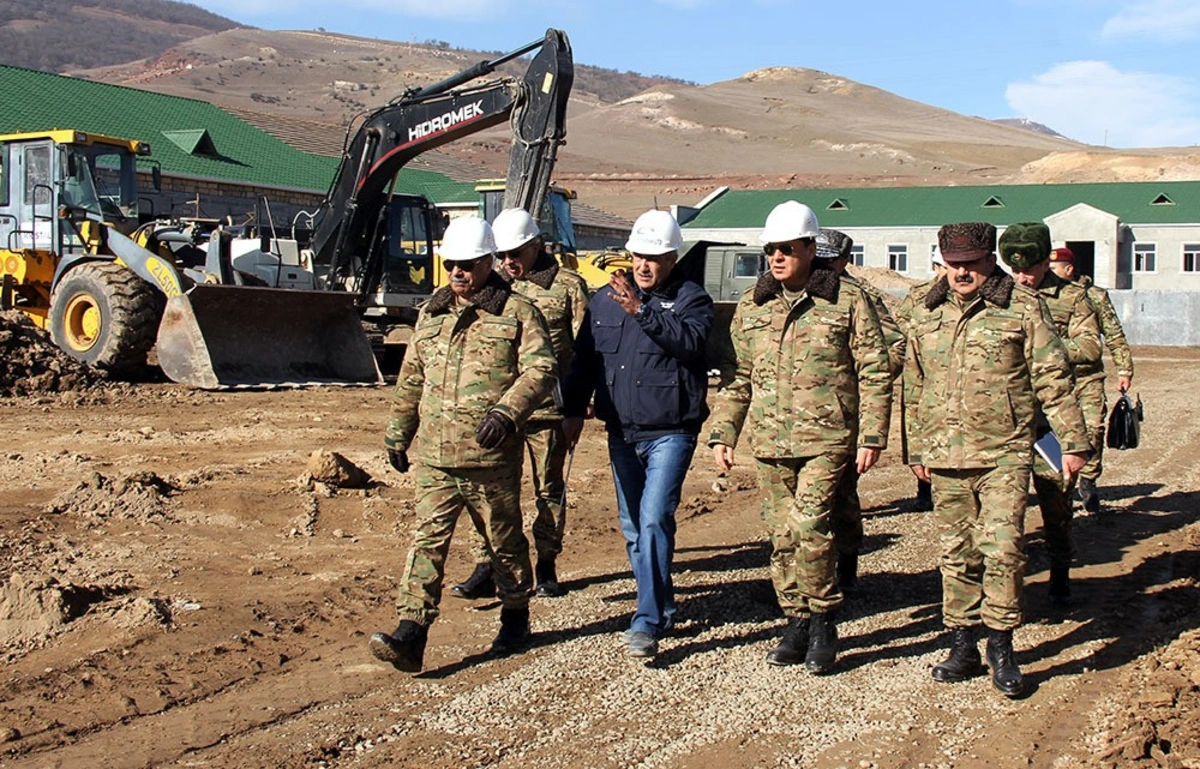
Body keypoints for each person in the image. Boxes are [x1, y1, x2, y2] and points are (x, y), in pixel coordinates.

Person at [904, 221, 1090, 697]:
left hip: (1005, 452)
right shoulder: (925, 312)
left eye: (971, 263)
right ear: (942, 262)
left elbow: (1054, 377)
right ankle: (963, 643)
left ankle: (1001, 645)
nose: (962, 273)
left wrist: (1073, 442)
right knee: (957, 554)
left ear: (991, 260)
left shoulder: (1023, 310)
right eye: (953, 263)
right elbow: (914, 385)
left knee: (1004, 550)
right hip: (945, 454)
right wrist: (917, 450)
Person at [708, 202, 893, 673]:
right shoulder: (754, 305)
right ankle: (796, 619)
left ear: (811, 249)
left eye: (787, 249)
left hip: (827, 439)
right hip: (770, 441)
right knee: (781, 536)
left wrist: (872, 434)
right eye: (771, 249)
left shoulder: (847, 301)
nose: (777, 257)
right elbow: (739, 374)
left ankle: (824, 621)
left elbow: (875, 370)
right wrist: (723, 432)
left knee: (811, 528)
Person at [368, 215, 557, 673]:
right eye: (451, 264)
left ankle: (515, 613)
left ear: (488, 262)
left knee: (503, 541)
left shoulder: (517, 313)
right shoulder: (430, 315)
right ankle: (412, 632)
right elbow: (412, 377)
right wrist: (398, 433)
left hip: (488, 457)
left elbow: (540, 370)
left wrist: (506, 413)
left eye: (467, 265)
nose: (457, 273)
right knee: (427, 540)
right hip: (435, 457)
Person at [562, 209, 713, 659]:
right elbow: (584, 360)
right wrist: (571, 409)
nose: (645, 266)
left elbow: (689, 344)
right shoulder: (604, 301)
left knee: (652, 518)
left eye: (656, 258)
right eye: (639, 256)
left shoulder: (692, 300)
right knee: (633, 526)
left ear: (672, 258)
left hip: (671, 431)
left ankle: (645, 620)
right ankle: (661, 605)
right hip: (621, 431)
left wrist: (643, 311)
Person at [449, 208, 590, 600]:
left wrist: (579, 403)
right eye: (502, 256)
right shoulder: (490, 289)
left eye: (517, 254)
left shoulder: (567, 288)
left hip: (547, 410)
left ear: (537, 247)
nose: (509, 263)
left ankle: (546, 564)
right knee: (490, 494)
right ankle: (488, 565)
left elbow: (584, 351)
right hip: (497, 415)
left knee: (549, 488)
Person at [1000, 224, 1101, 608]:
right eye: (1015, 271)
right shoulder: (1001, 298)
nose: (1022, 278)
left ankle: (1060, 574)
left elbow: (1090, 347)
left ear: (1047, 263)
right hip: (1007, 420)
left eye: (1030, 270)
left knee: (1056, 505)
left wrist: (1041, 344)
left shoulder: (1073, 299)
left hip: (1049, 423)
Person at [817, 228, 905, 593]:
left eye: (828, 260)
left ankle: (847, 564)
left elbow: (896, 345)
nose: (821, 265)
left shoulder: (861, 296)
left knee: (841, 495)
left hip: (845, 414)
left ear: (842, 262)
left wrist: (861, 376)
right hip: (799, 415)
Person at [1048, 246, 1135, 513]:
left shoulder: (1094, 296)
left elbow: (1113, 334)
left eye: (1054, 269)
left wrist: (1124, 370)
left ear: (1069, 269)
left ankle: (1088, 479)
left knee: (1093, 429)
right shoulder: (1046, 296)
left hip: (1088, 377)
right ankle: (1060, 484)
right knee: (1053, 433)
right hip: (1056, 378)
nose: (1049, 274)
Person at [896, 248, 948, 513]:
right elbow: (901, 331)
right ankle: (924, 490)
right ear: (936, 267)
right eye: (942, 267)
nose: (947, 273)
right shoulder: (918, 296)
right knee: (921, 431)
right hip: (921, 375)